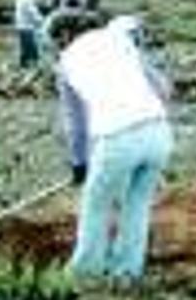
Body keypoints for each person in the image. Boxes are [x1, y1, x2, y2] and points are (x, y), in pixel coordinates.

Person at [52, 14, 173, 285]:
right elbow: (164, 88)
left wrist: (79, 163)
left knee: (96, 204)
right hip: (159, 132)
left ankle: (86, 273)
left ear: (63, 37)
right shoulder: (120, 40)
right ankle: (126, 272)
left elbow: (76, 123)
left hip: (118, 136)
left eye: (54, 43)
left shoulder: (65, 62)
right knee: (138, 205)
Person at [14, 0, 44, 68]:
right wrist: (41, 20)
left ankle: (23, 65)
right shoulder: (27, 0)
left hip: (21, 26)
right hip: (27, 27)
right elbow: (33, 13)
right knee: (31, 46)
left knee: (24, 47)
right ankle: (35, 64)